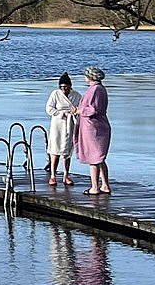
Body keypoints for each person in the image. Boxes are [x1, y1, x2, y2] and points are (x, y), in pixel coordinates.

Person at [75, 65, 112, 194]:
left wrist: (78, 110)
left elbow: (92, 110)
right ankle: (105, 185)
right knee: (100, 158)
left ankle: (95, 187)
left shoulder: (95, 90)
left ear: (90, 77)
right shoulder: (100, 88)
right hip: (99, 126)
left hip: (93, 128)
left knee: (94, 158)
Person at [43, 72, 78, 186]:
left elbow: (80, 108)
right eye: (61, 87)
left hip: (70, 125)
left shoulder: (76, 95)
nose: (64, 90)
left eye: (66, 87)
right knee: (55, 150)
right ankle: (53, 175)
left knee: (67, 151)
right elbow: (49, 108)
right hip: (57, 124)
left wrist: (74, 112)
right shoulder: (55, 94)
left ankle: (66, 175)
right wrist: (61, 113)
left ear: (70, 86)